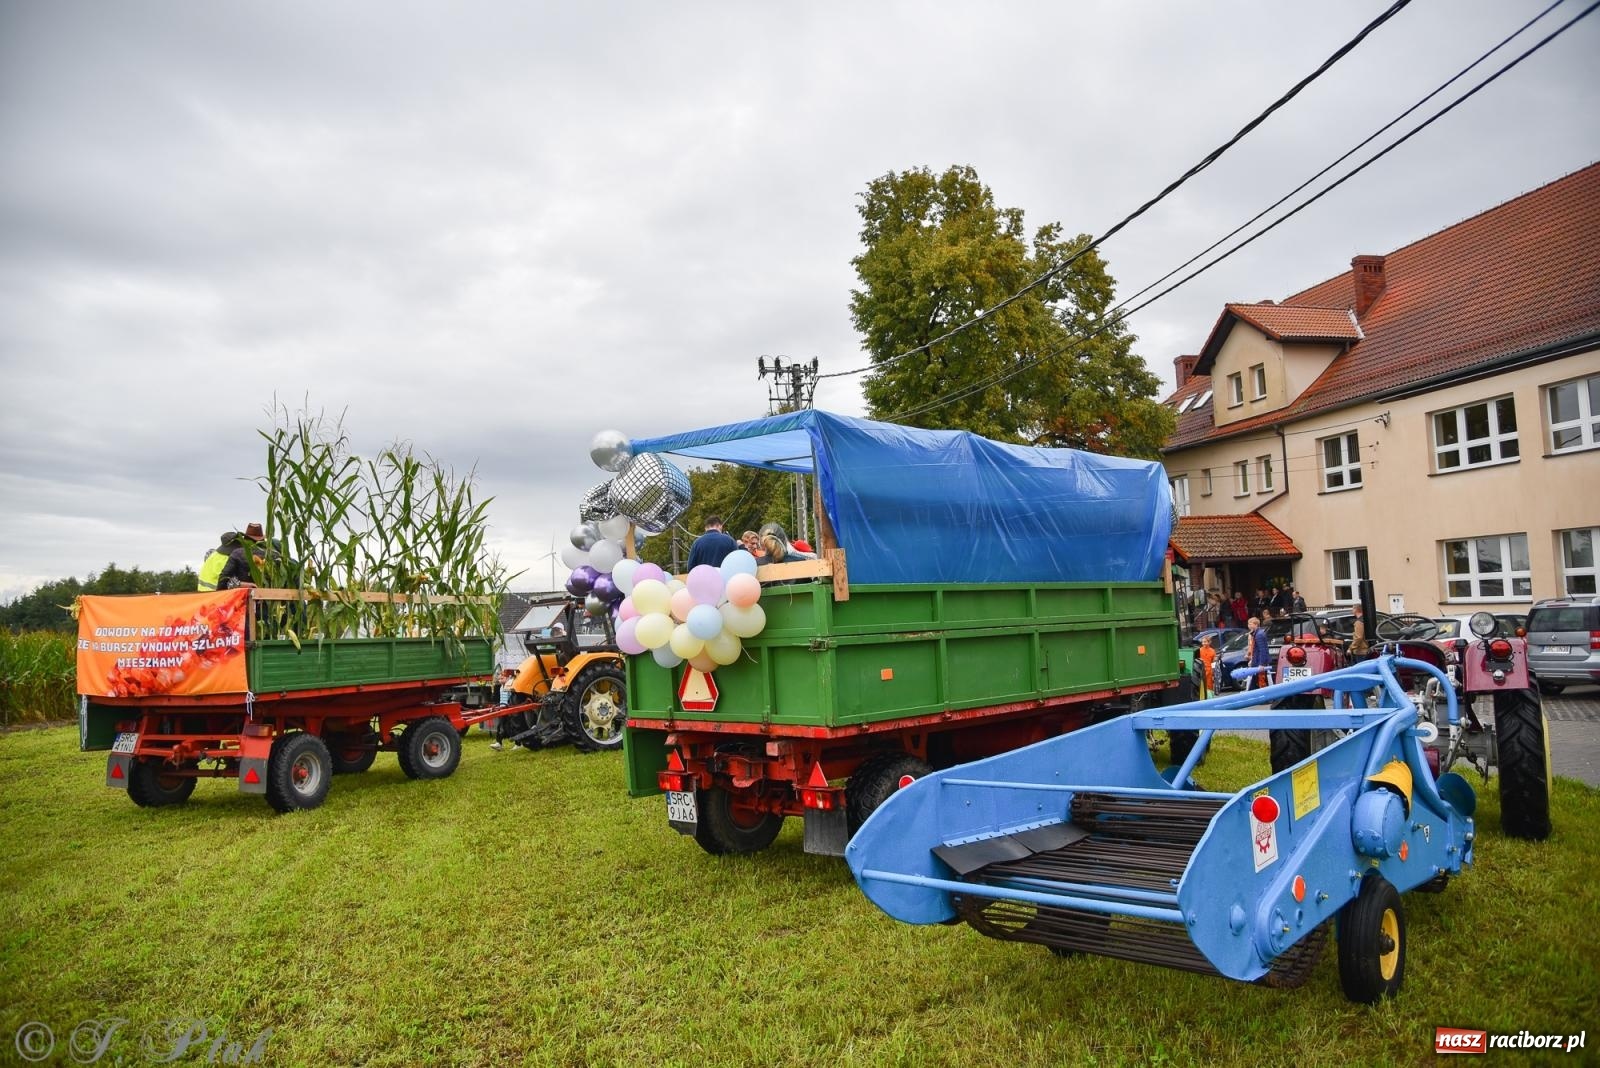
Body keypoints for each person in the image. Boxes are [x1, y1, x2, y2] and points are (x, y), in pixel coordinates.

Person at [1246, 615, 1272, 690]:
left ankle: (1262, 698)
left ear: (1256, 625)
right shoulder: (1257, 634)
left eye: (1250, 624)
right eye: (1248, 624)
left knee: (1260, 681)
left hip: (1258, 663)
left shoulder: (1259, 635)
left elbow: (1262, 650)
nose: (1249, 626)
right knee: (1255, 682)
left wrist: (1261, 664)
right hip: (1257, 662)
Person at [1196, 633, 1217, 699]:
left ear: (1209, 642)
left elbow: (1213, 662)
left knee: (1209, 685)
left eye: (1205, 642)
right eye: (1203, 642)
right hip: (1202, 670)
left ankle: (1210, 698)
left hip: (1209, 671)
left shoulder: (1212, 651)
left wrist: (1213, 672)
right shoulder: (1199, 650)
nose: (1204, 643)